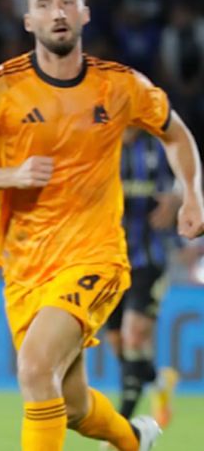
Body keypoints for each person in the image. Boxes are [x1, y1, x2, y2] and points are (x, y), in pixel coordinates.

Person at [0, 0, 204, 451]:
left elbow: (175, 132)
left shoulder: (119, 86)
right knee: (73, 403)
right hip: (25, 266)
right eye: (43, 4)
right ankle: (134, 440)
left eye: (66, 2)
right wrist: (10, 175)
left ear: (84, 13)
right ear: (28, 21)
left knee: (36, 368)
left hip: (94, 255)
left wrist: (192, 194)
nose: (56, 12)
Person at [104, 129, 180, 428]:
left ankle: (121, 425)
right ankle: (159, 381)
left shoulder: (160, 147)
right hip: (109, 260)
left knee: (134, 336)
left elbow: (189, 173)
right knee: (118, 342)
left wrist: (178, 197)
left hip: (149, 258)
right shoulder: (101, 145)